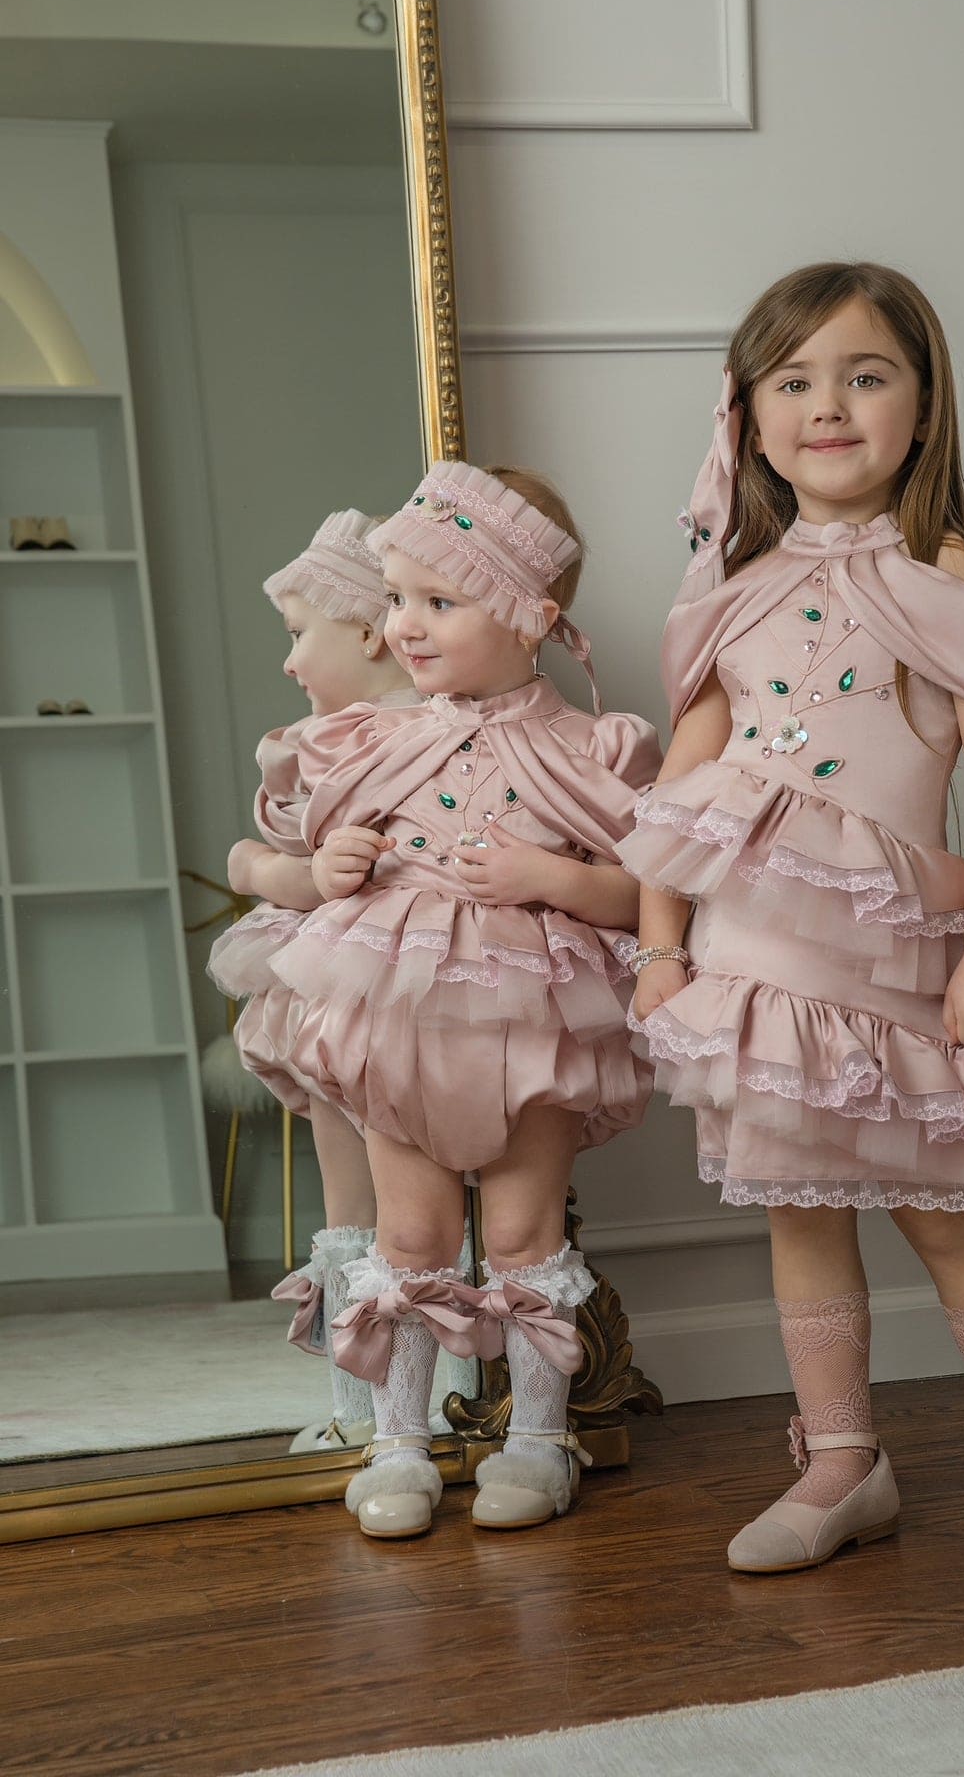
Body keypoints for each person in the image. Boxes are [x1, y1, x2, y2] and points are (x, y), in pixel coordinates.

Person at [623, 262, 964, 1578]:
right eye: (793, 381)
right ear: (748, 417)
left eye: (865, 374)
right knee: (799, 1214)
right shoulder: (735, 582)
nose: (826, 405)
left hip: (888, 956)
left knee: (945, 1212)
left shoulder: (947, 568)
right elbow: (682, 781)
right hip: (748, 958)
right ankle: (843, 1463)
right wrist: (660, 946)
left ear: (923, 403)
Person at [267, 462, 661, 1539]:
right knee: (411, 1233)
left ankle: (536, 1441)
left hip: (533, 1028)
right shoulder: (367, 738)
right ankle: (399, 1445)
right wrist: (334, 865)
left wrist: (553, 879)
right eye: (397, 598)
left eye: (438, 602)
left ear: (531, 617)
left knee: (525, 1232)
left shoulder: (592, 749)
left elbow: (649, 897)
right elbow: (311, 857)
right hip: (399, 1020)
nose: (404, 625)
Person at [209, 508, 414, 1454]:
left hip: (416, 988)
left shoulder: (439, 733)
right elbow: (262, 861)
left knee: (415, 1196)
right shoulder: (310, 743)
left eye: (299, 635)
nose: (290, 661)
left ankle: (430, 1388)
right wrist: (283, 872)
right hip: (329, 984)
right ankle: (356, 1403)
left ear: (369, 632)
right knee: (349, 1195)